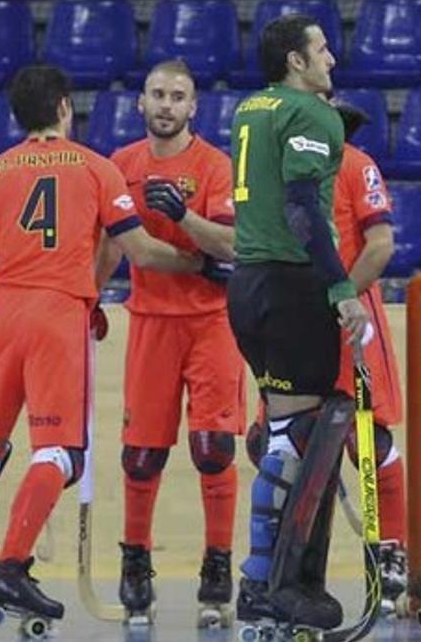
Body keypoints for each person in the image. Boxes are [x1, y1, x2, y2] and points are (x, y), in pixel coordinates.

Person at [0, 64, 214, 629]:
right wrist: (200, 262)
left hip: (3, 312)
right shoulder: (96, 168)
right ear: (64, 107)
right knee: (60, 452)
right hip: (59, 313)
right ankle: (10, 567)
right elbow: (139, 250)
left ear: (17, 115)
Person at [227, 13, 369, 632]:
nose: (332, 59)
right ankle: (263, 584)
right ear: (295, 60)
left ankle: (281, 582)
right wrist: (342, 288)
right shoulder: (312, 114)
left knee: (292, 429)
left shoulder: (247, 108)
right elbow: (302, 204)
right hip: (290, 285)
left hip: (249, 283)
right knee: (290, 441)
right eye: (322, 49)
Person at [95, 59, 246, 624]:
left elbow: (231, 246)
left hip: (211, 324)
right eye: (157, 94)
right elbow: (112, 244)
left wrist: (183, 216)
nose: (165, 104)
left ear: (193, 107)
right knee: (141, 457)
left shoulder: (215, 165)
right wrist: (88, 299)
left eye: (176, 96)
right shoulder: (120, 165)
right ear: (140, 102)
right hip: (151, 322)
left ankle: (217, 571)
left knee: (213, 451)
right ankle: (136, 567)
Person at [331, 99, 409, 611]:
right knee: (283, 444)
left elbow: (380, 246)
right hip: (298, 316)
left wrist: (341, 296)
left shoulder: (358, 167)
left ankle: (391, 553)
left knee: (369, 441)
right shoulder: (278, 169)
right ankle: (292, 568)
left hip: (350, 310)